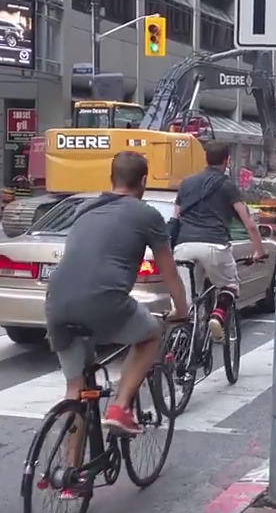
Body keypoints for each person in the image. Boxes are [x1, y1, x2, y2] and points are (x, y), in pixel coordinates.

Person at [46, 151, 188, 443]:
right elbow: (169, 270)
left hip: (56, 303)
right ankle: (120, 407)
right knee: (150, 335)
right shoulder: (146, 214)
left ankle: (69, 481)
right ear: (144, 181)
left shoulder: (84, 209)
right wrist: (182, 308)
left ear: (111, 179)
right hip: (103, 301)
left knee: (76, 389)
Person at [173, 143, 266, 342]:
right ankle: (218, 316)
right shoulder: (227, 185)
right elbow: (249, 223)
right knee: (230, 285)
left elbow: (176, 216)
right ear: (227, 160)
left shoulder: (187, 183)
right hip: (214, 244)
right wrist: (258, 251)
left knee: (189, 300)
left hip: (183, 246)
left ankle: (181, 347)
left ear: (206, 158)